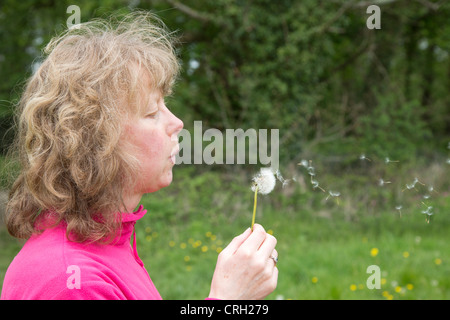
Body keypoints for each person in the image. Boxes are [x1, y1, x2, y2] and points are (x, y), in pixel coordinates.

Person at [1, 11, 278, 300]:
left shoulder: (107, 242)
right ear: (96, 142)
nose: (177, 123)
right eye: (152, 112)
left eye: (165, 105)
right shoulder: (72, 283)